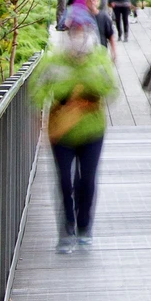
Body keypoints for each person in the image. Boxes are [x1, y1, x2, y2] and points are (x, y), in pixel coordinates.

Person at [31, 16, 114, 252]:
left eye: (82, 30)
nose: (77, 35)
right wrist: (66, 93)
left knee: (86, 179)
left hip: (92, 129)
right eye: (73, 30)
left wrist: (89, 86)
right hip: (62, 130)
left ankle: (84, 227)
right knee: (64, 181)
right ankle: (67, 230)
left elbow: (111, 89)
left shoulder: (99, 58)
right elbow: (37, 89)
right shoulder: (54, 61)